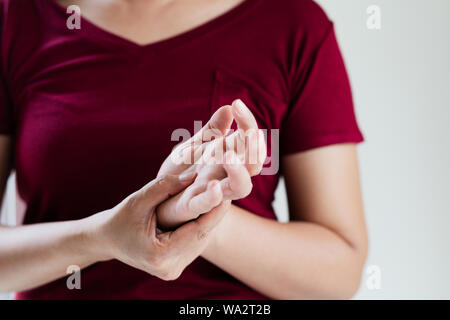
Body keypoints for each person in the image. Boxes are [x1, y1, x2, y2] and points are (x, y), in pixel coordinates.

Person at [0, 0, 368, 299]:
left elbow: (339, 271)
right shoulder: (15, 18)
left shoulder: (293, 24)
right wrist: (101, 237)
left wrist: (198, 212)